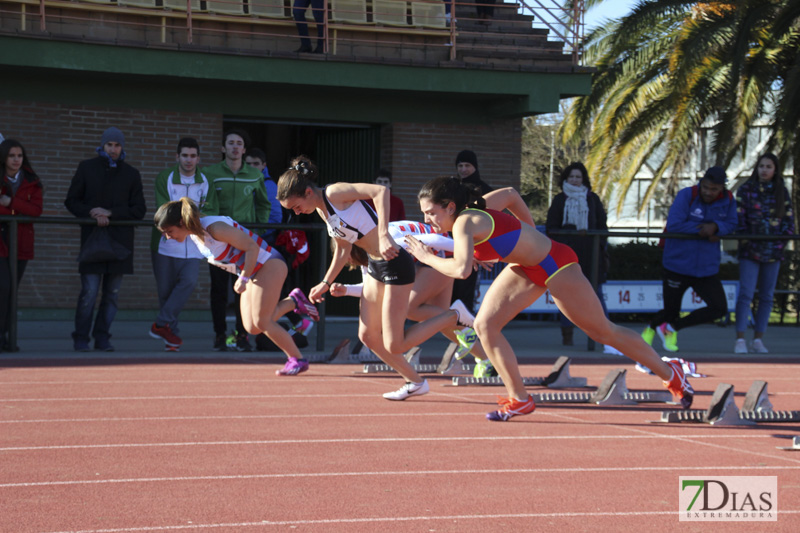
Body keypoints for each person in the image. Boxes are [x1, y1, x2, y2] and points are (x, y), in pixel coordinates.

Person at [405, 177, 694, 421]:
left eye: (430, 213)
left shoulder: (464, 222)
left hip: (558, 265)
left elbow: (461, 270)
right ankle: (519, 399)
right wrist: (525, 234)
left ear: (450, 206)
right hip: (527, 268)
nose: (426, 220)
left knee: (602, 331)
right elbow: (510, 195)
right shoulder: (472, 211)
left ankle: (671, 373)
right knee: (485, 326)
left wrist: (425, 257)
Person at [277, 156, 474, 400]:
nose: (297, 213)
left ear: (308, 192)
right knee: (368, 336)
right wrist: (325, 283)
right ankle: (415, 382)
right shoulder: (321, 210)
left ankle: (455, 315)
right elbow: (342, 250)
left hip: (394, 262)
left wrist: (382, 234)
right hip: (374, 266)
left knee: (396, 344)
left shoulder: (335, 192)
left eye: (295, 206)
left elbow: (380, 191)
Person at [155, 198, 318, 375]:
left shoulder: (215, 228)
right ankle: (293, 302)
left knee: (262, 322)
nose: (167, 236)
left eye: (169, 231)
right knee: (252, 327)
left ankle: (297, 359)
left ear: (181, 222)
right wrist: (245, 275)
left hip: (269, 265)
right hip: (253, 272)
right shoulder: (196, 235)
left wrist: (244, 277)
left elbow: (251, 247)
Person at [328, 219, 497, 378]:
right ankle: (486, 360)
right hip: (434, 257)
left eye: (343, 255)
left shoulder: (385, 241)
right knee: (441, 321)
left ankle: (458, 315)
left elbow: (432, 239)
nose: (345, 261)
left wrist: (469, 253)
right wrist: (346, 290)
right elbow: (372, 290)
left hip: (439, 252)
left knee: (410, 308)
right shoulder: (369, 253)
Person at [64, 127, 147, 352]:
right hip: (93, 241)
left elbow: (139, 209)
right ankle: (81, 338)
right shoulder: (86, 168)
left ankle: (102, 338)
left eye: (117, 145)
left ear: (122, 147)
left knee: (111, 295)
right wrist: (92, 212)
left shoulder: (131, 174)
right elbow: (71, 201)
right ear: (102, 146)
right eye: (109, 145)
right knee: (89, 292)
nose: (113, 149)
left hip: (119, 243)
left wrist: (111, 213)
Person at [641, 166, 737, 353]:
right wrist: (704, 229)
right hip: (677, 264)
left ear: (722, 189)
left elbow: (732, 224)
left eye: (714, 189)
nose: (708, 192)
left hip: (706, 268)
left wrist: (716, 227)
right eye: (706, 187)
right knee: (670, 312)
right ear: (701, 183)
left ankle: (671, 328)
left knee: (719, 308)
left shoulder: (729, 199)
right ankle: (649, 331)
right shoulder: (687, 195)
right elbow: (674, 224)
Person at [202, 129, 271, 352]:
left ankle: (242, 335)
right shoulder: (210, 173)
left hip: (245, 240)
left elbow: (263, 203)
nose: (234, 147)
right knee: (219, 290)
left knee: (245, 288)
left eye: (238, 143)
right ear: (223, 148)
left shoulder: (255, 174)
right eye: (230, 143)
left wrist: (258, 228)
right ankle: (220, 335)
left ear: (243, 149)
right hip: (220, 241)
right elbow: (207, 203)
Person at [149, 137, 219, 352]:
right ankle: (172, 336)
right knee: (165, 293)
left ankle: (160, 324)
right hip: (166, 244)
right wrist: (186, 219)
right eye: (185, 156)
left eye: (193, 156)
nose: (189, 160)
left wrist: (190, 222)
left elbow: (212, 210)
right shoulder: (165, 178)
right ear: (177, 157)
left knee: (188, 282)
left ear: (198, 158)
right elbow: (163, 212)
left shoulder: (206, 179)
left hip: (195, 244)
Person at [545, 162, 620, 355]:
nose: (575, 180)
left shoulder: (592, 199)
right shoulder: (559, 200)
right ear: (566, 179)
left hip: (591, 256)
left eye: (578, 177)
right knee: (566, 295)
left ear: (584, 179)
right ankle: (567, 333)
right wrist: (569, 233)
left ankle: (607, 336)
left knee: (597, 295)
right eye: (571, 177)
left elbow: (603, 227)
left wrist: (595, 240)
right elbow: (551, 227)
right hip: (566, 255)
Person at [733, 154, 795, 354]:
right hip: (750, 252)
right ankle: (740, 339)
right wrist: (747, 240)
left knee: (767, 296)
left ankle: (758, 339)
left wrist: (780, 244)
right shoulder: (746, 190)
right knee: (746, 294)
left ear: (775, 169)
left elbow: (789, 222)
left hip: (773, 252)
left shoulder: (781, 192)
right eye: (761, 166)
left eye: (769, 166)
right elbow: (739, 220)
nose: (765, 170)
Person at [0, 139, 43, 353]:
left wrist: (10, 204)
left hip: (21, 243)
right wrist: (19, 211)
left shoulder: (32, 180)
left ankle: (7, 336)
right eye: (11, 156)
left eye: (19, 156)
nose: (16, 160)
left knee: (11, 292)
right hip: (1, 243)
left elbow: (36, 210)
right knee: (3, 288)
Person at [452, 150, 493, 313]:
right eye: (460, 166)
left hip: (475, 247)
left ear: (475, 167)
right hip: (452, 244)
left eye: (467, 165)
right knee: (451, 293)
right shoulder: (452, 187)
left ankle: (467, 334)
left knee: (467, 293)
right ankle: (454, 332)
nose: (463, 169)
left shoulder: (484, 189)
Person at [245, 148, 282, 245]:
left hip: (262, 240)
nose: (252, 167)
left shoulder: (269, 186)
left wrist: (256, 234)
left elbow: (275, 218)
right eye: (248, 164)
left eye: (256, 164)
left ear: (263, 165)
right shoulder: (244, 181)